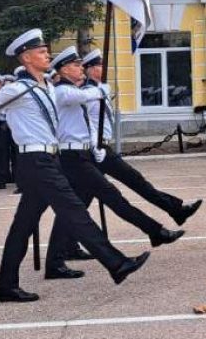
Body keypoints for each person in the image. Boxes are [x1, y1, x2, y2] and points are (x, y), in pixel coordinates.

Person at [0, 29, 150, 303]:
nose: (46, 54)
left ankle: (6, 286)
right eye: (40, 52)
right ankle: (116, 263)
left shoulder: (47, 87)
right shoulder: (17, 89)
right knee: (74, 210)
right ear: (26, 57)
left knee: (23, 226)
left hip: (48, 159)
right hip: (34, 161)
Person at [42, 46, 184, 280]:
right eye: (77, 65)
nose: (81, 69)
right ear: (64, 69)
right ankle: (154, 232)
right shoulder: (62, 92)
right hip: (72, 158)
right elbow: (83, 97)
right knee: (113, 197)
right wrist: (100, 90)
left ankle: (55, 261)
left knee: (74, 209)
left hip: (83, 154)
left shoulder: (76, 91)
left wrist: (95, 147)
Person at [80, 49, 203, 228]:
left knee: (82, 198)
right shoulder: (88, 93)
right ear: (89, 69)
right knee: (136, 181)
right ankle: (175, 210)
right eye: (99, 65)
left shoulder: (100, 90)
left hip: (103, 147)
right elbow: (86, 123)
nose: (103, 68)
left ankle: (67, 243)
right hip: (98, 149)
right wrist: (93, 145)